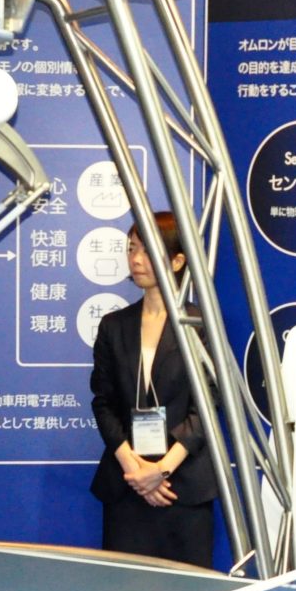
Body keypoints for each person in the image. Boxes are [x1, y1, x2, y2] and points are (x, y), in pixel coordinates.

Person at [88, 211, 219, 567]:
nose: (135, 259)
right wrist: (133, 468)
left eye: (148, 250)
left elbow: (208, 407)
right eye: (132, 248)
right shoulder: (114, 325)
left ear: (177, 261)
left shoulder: (200, 325)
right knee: (123, 589)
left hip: (183, 487)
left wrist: (161, 470)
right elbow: (103, 402)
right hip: (126, 485)